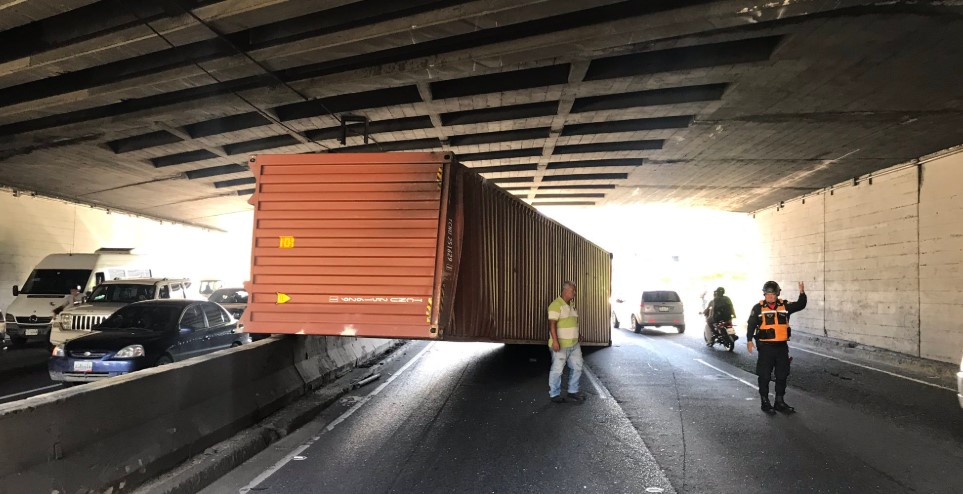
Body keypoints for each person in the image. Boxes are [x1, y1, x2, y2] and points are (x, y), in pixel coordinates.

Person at [746, 280, 807, 413]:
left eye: (773, 294)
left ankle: (779, 401)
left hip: (781, 348)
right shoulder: (758, 308)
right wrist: (749, 340)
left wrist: (802, 293)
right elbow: (751, 324)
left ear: (777, 294)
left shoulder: (784, 306)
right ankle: (765, 402)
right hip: (766, 348)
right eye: (767, 294)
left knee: (782, 375)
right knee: (764, 375)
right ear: (764, 294)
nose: (770, 297)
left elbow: (801, 304)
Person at [547, 280, 584, 403]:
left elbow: (573, 322)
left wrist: (578, 335)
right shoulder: (555, 305)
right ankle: (554, 394)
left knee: (577, 367)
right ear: (566, 290)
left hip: (574, 344)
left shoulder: (572, 305)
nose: (575, 293)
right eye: (573, 290)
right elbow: (552, 324)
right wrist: (555, 342)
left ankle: (572, 392)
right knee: (557, 370)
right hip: (561, 344)